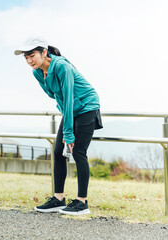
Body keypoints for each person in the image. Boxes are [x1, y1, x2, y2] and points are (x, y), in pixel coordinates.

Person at [14, 36, 103, 215]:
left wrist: (69, 132)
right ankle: (58, 199)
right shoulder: (38, 72)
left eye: (32, 55)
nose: (29, 61)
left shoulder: (62, 66)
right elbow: (53, 95)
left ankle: (81, 202)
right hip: (70, 109)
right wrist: (46, 78)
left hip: (86, 107)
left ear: (44, 52)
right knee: (57, 152)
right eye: (26, 58)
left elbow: (68, 97)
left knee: (78, 152)